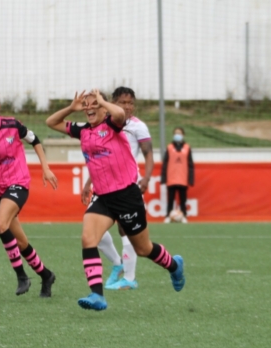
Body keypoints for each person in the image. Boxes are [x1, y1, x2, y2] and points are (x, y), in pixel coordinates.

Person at [46, 89, 185, 311]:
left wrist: (101, 101)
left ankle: (174, 265)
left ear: (103, 107)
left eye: (94, 104)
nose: (89, 108)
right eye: (86, 105)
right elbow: (51, 122)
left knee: (143, 248)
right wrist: (72, 108)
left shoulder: (114, 124)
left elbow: (119, 114)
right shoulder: (82, 130)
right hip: (103, 197)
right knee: (88, 238)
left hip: (127, 195)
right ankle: (97, 295)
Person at [0, 87, 58, 297]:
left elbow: (35, 140)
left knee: (0, 224)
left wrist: (45, 167)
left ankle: (21, 276)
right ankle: (46, 275)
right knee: (21, 241)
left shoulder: (13, 125)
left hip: (17, 182)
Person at [80, 86, 154, 291]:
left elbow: (148, 155)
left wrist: (146, 178)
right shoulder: (101, 125)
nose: (128, 106)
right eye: (123, 102)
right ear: (112, 102)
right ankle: (117, 263)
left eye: (131, 103)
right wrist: (89, 182)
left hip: (128, 185)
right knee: (94, 232)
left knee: (127, 232)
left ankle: (129, 278)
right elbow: (98, 157)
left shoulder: (137, 127)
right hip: (104, 185)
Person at [161, 127, 195, 223]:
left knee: (183, 200)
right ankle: (168, 215)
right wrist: (164, 178)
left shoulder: (187, 148)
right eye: (176, 133)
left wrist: (191, 179)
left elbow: (190, 165)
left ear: (183, 135)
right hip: (171, 178)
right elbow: (165, 164)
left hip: (183, 178)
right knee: (170, 199)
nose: (177, 135)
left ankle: (184, 215)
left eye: (179, 133)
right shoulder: (169, 147)